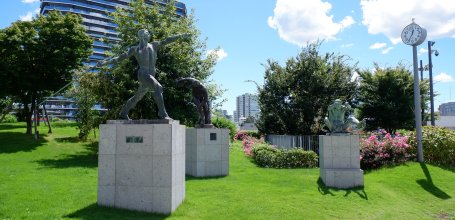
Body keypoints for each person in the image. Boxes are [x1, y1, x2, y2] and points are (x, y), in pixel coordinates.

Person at [96, 29, 190, 120]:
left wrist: (181, 36)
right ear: (142, 35)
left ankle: (124, 112)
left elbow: (167, 40)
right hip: (143, 74)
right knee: (158, 87)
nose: (149, 34)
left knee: (138, 96)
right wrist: (104, 63)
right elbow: (119, 58)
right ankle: (162, 113)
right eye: (147, 33)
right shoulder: (135, 49)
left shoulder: (154, 45)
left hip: (151, 75)